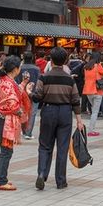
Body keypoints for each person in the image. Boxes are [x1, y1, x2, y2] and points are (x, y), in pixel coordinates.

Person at [32, 46, 84, 190]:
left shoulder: (44, 77)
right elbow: (75, 100)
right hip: (65, 113)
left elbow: (37, 98)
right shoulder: (69, 79)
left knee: (45, 145)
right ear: (65, 61)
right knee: (62, 148)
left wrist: (29, 91)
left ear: (51, 60)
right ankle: (61, 181)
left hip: (48, 111)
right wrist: (79, 120)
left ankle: (42, 174)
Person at [0, 55, 32, 191]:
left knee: (5, 150)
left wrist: (23, 83)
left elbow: (16, 93)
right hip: (5, 120)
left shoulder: (7, 80)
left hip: (1, 118)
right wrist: (21, 113)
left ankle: (0, 177)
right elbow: (13, 104)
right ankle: (1, 180)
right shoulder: (8, 82)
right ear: (15, 69)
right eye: (19, 66)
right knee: (6, 151)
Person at [82, 55, 103, 137]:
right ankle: (91, 130)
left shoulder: (86, 67)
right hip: (97, 92)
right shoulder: (98, 66)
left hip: (88, 91)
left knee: (93, 111)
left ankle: (91, 128)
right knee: (95, 112)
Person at [15, 51, 41, 139]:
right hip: (33, 93)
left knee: (22, 112)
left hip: (21, 92)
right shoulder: (37, 69)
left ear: (23, 58)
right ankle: (28, 133)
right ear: (32, 58)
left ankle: (24, 130)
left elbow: (16, 80)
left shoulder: (19, 68)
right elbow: (38, 82)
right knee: (32, 113)